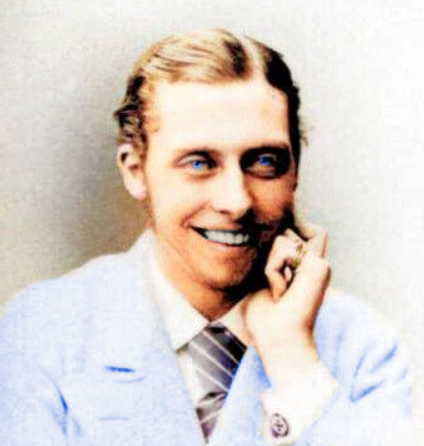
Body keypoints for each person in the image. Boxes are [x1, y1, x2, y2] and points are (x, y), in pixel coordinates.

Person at [0, 29, 416, 446]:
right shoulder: (43, 331)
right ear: (135, 170)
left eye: (264, 162)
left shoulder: (361, 345)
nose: (236, 201)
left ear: (295, 172)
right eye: (199, 163)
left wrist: (292, 358)